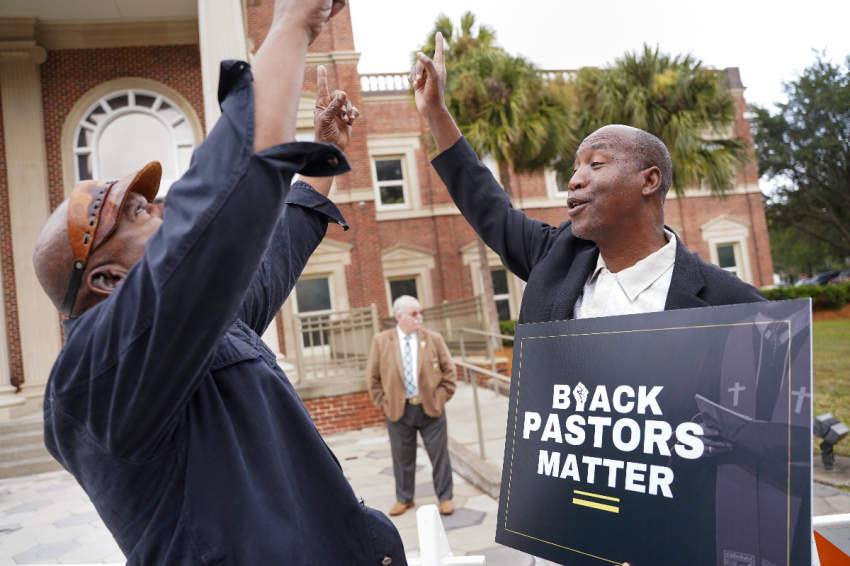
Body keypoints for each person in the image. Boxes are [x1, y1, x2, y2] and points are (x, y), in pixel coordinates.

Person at [32, 1, 407, 564]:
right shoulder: (91, 378)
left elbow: (263, 254)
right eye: (136, 213)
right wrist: (290, 24)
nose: (158, 212)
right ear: (108, 279)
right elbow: (212, 214)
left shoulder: (196, 333)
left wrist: (317, 152)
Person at [408, 32, 770, 566]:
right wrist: (437, 111)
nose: (574, 181)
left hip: (675, 539)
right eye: (574, 168)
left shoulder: (734, 306)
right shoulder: (557, 259)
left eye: (595, 165)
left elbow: (765, 436)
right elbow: (485, 202)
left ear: (649, 181)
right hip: (568, 531)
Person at [367, 295, 457, 517]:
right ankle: (404, 498)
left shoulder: (433, 339)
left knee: (439, 456)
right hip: (399, 410)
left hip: (431, 409)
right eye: (414, 313)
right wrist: (384, 403)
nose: (420, 317)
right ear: (400, 317)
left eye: (420, 312)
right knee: (402, 457)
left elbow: (450, 374)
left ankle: (445, 497)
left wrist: (440, 397)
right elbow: (372, 378)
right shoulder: (381, 341)